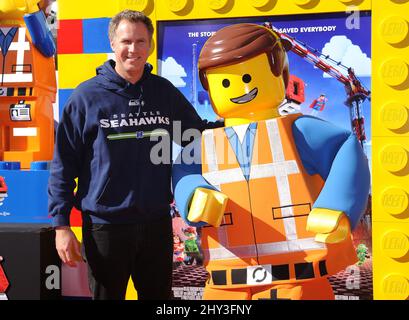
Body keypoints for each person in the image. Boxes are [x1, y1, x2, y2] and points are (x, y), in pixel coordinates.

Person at [173, 23, 370, 300]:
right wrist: (193, 195)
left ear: (282, 74)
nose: (241, 88)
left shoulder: (299, 131)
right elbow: (184, 172)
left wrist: (337, 207)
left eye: (249, 77)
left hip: (297, 274)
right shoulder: (204, 144)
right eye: (226, 81)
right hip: (227, 279)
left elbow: (345, 150)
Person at [48, 9, 222, 300]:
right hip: (105, 228)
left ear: (150, 46)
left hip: (155, 223)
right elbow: (63, 167)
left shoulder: (163, 93)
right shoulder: (85, 98)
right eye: (126, 41)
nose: (133, 49)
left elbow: (196, 133)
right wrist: (61, 226)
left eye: (141, 41)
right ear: (113, 45)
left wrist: (241, 124)